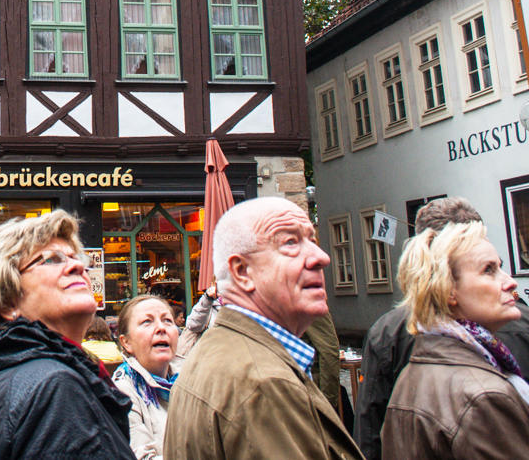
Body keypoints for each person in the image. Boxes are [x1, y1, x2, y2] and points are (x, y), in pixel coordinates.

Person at [355, 198, 529, 460]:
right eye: (488, 269)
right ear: (446, 283)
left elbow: (370, 436)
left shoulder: (400, 342)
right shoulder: (485, 392)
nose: (511, 282)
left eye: (498, 266)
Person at [164, 197, 361, 460]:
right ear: (242, 272)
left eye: (312, 241)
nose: (321, 257)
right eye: (290, 243)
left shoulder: (222, 353)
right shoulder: (264, 384)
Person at [0, 210, 132, 460]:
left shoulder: (12, 379)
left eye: (76, 258)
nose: (78, 266)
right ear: (8, 301)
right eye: (51, 259)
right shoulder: (55, 386)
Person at [111, 295, 179, 460]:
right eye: (147, 322)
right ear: (126, 343)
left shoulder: (191, 382)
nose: (161, 328)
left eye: (167, 320)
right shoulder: (122, 392)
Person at [175, 283, 218, 358]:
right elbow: (193, 325)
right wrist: (207, 298)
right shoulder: (208, 303)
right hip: (203, 357)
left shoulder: (237, 306)